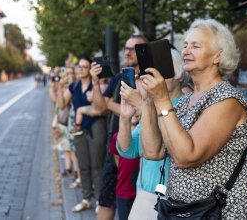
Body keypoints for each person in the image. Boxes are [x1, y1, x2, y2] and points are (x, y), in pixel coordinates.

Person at [140, 19, 247, 219]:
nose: (186, 51)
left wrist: (161, 100)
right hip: (184, 211)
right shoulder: (183, 101)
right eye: (185, 45)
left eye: (196, 46)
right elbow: (153, 151)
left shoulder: (227, 99)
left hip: (223, 211)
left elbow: (187, 157)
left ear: (217, 56)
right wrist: (148, 100)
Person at [117, 48, 185, 219]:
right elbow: (128, 150)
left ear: (179, 74)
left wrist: (142, 105)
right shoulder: (151, 105)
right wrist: (124, 119)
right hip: (145, 195)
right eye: (149, 73)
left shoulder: (186, 105)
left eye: (160, 72)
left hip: (171, 200)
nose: (153, 78)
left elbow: (156, 151)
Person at [90, 35, 148, 220]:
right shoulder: (119, 78)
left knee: (132, 202)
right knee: (106, 199)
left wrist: (138, 108)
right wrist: (95, 82)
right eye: (126, 47)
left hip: (141, 152)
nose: (127, 51)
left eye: (134, 48)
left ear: (145, 51)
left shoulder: (153, 81)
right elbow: (100, 106)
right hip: (115, 146)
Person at [57, 57, 107, 213]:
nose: (81, 69)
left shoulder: (97, 84)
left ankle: (100, 199)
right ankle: (86, 198)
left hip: (96, 125)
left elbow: (101, 108)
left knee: (97, 165)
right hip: (79, 129)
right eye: (79, 67)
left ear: (91, 69)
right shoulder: (74, 86)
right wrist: (59, 86)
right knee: (83, 165)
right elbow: (61, 104)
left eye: (84, 67)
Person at [109, 113, 140, 220]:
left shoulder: (145, 135)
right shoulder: (116, 137)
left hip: (140, 191)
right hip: (124, 190)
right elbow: (118, 160)